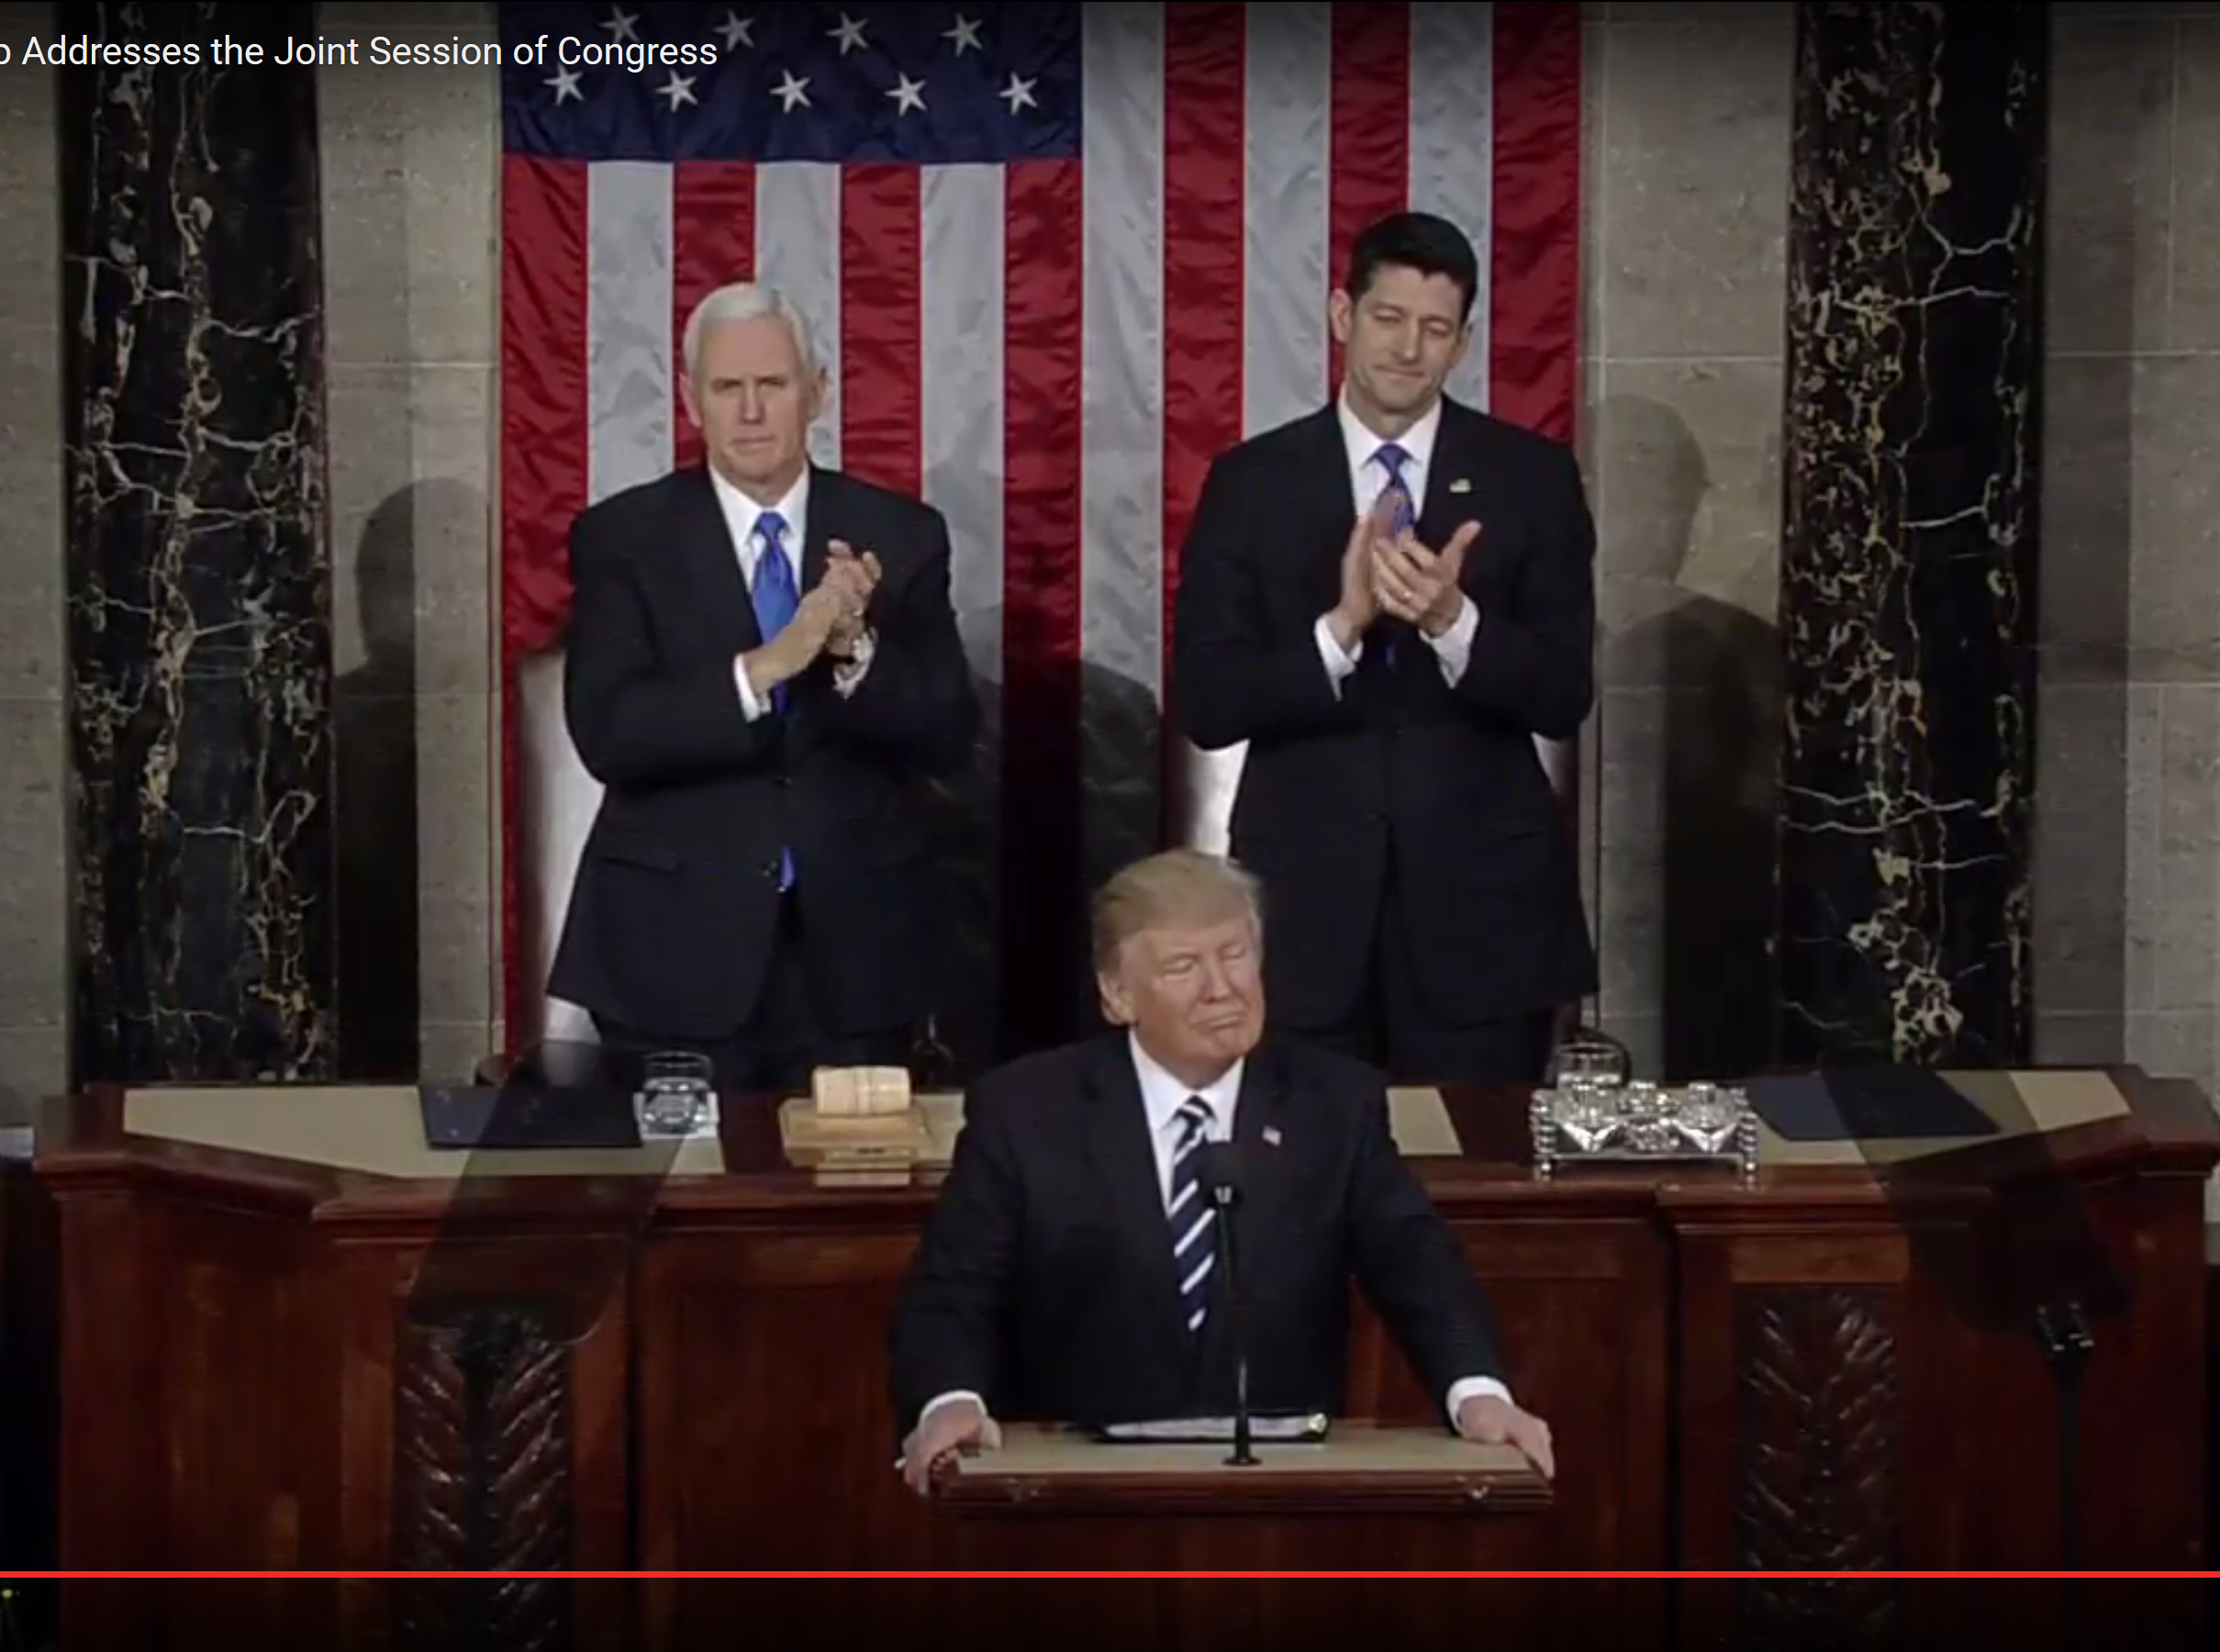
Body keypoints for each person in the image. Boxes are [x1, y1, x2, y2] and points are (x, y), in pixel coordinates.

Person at [887, 849, 1555, 1493]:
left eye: (1235, 956)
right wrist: (949, 1401)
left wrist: (1476, 1393)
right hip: (1077, 1484)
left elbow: (1417, 1264)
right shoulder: (1028, 1110)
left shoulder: (1333, 1101)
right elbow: (955, 1289)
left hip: (1284, 1488)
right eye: (1183, 967)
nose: (1221, 989)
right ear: (1117, 996)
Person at [1169, 211, 1597, 1087]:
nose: (1409, 348)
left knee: (1478, 1202)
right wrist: (1337, 633)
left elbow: (1563, 693)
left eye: (1435, 329)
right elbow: (1208, 702)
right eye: (1388, 319)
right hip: (1306, 921)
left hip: (1484, 922)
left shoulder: (1532, 476)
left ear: (1463, 340)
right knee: (1308, 1197)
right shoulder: (1252, 482)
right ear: (1341, 316)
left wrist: (1453, 623)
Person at [548, 281, 979, 1094]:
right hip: (672, 955)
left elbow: (948, 733)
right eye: (727, 388)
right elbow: (611, 732)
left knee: (846, 1211)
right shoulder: (623, 538)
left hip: (856, 957)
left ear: (818, 391)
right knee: (680, 1211)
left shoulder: (901, 534)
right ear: (691, 399)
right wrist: (770, 664)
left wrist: (853, 650)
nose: (750, 412)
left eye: (772, 385)